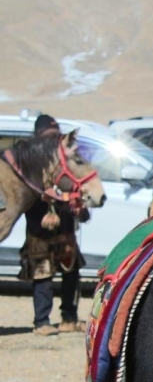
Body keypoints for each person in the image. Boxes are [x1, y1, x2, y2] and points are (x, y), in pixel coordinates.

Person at [20, 115, 88, 336]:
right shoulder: (29, 163)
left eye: (56, 135)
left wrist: (78, 206)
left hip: (65, 228)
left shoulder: (65, 162)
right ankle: (42, 321)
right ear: (38, 136)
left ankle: (69, 318)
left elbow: (77, 189)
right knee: (42, 275)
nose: (54, 140)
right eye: (49, 135)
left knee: (72, 273)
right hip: (39, 229)